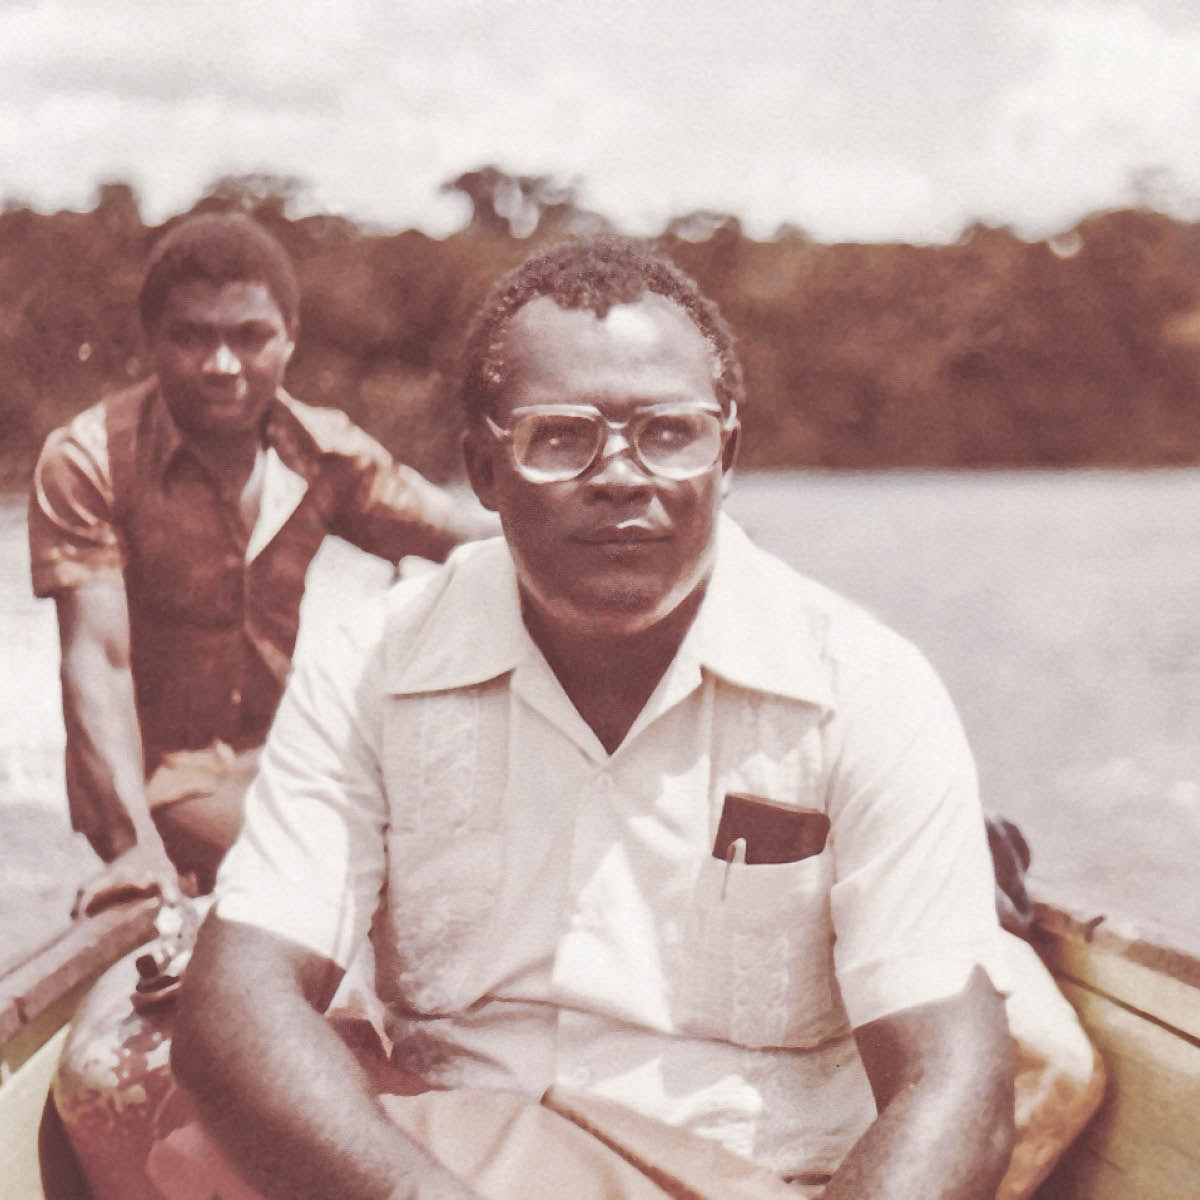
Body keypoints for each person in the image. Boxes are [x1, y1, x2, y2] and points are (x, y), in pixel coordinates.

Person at [169, 237, 1096, 1199]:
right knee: (185, 1145)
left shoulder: (863, 687)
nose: (620, 474)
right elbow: (237, 1002)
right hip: (452, 1164)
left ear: (726, 457)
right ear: (483, 468)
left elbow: (954, 1080)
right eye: (559, 437)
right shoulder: (372, 666)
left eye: (670, 433)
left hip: (769, 1179)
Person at [28, 211, 493, 909]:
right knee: (339, 872)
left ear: (289, 337)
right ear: (153, 338)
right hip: (160, 784)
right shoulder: (90, 460)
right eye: (192, 337)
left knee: (462, 842)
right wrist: (133, 846)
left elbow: (462, 537)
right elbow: (98, 660)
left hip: (284, 756)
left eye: (250, 337)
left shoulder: (322, 452)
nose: (222, 365)